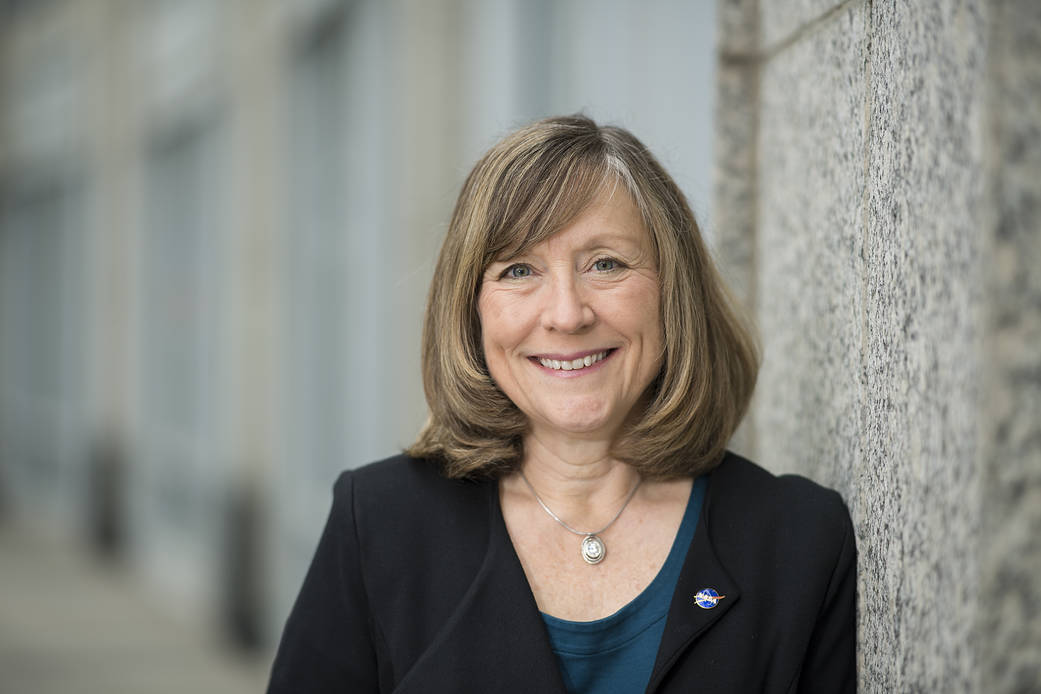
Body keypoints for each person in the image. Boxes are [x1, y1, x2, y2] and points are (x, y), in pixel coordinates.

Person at [267, 115, 856, 693]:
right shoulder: (378, 524)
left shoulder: (798, 543)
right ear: (472, 311)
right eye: (519, 270)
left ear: (672, 294)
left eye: (606, 264)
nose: (568, 314)